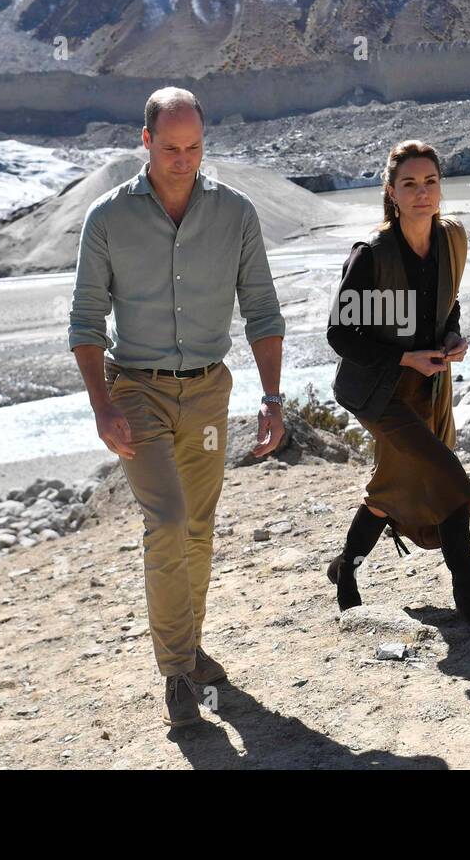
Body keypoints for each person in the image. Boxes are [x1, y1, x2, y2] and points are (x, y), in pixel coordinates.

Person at [68, 86, 286, 727]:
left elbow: (263, 311)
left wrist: (272, 398)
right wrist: (102, 405)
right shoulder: (107, 219)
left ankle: (187, 649)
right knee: (166, 520)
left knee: (199, 525)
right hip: (137, 391)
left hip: (210, 393)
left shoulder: (236, 214)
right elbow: (85, 320)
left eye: (194, 147)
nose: (183, 159)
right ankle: (175, 671)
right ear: (145, 142)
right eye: (170, 148)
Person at [325, 139, 470, 626]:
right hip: (379, 394)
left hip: (428, 390)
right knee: (449, 476)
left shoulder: (448, 240)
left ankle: (347, 571)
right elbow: (340, 334)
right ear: (391, 192)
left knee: (390, 489)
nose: (422, 193)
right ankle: (468, 589)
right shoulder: (373, 254)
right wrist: (406, 357)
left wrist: (452, 336)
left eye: (430, 182)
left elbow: (448, 305)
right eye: (409, 184)